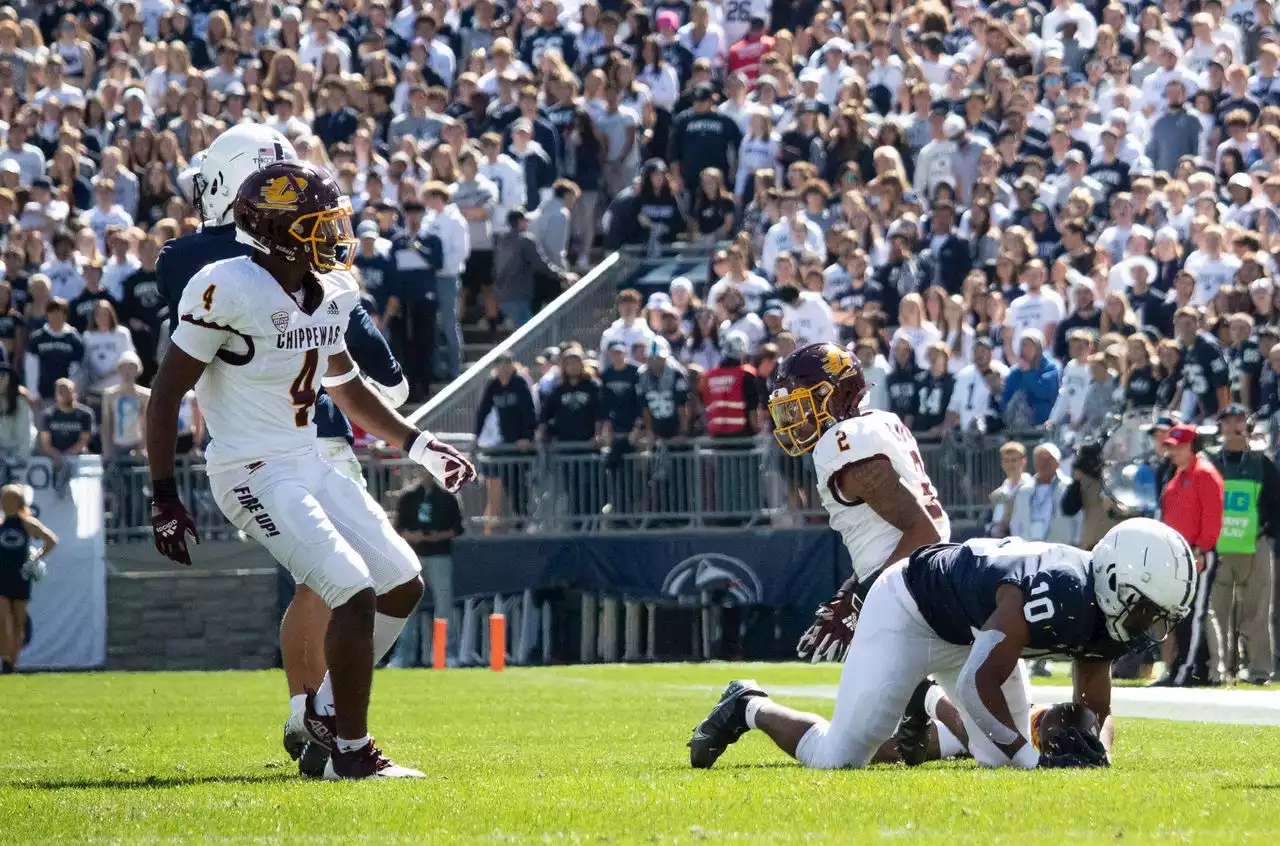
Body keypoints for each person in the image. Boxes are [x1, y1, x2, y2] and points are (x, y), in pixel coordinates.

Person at [145, 160, 476, 780]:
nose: (334, 232)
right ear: (277, 229)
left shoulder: (330, 288)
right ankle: (350, 755)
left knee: (402, 580)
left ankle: (323, 712)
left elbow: (346, 387)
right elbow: (166, 395)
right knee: (350, 588)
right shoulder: (228, 287)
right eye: (318, 222)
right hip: (249, 467)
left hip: (308, 457)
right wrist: (164, 495)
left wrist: (421, 444)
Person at [689, 519, 1197, 771]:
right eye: (1146, 608)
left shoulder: (1103, 608)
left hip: (971, 631)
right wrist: (1032, 760)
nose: (1147, 624)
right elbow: (979, 684)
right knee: (840, 756)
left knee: (996, 755)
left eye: (1159, 615)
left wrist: (1098, 755)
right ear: (1112, 579)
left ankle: (927, 695)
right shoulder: (1060, 592)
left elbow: (1096, 707)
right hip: (909, 608)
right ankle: (748, 704)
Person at [1204, 405, 1279, 684]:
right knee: (1218, 613)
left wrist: (1269, 533)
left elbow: (1276, 502)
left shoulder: (1262, 461)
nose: (1233, 426)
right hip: (1219, 547)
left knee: (1258, 613)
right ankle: (1220, 671)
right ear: (1220, 426)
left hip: (1255, 544)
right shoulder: (1209, 460)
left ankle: (1260, 672)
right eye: (1227, 421)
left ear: (1247, 426)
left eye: (1238, 421)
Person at [1155, 424, 1225, 687]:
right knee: (1181, 615)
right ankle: (1183, 668)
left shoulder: (1204, 473)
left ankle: (1188, 670)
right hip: (1177, 555)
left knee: (1195, 614)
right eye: (1171, 446)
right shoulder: (1177, 474)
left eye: (1179, 446)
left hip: (1196, 555)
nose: (1173, 451)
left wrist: (1202, 550)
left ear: (1192, 446)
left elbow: (1212, 518)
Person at [390, 469, 464, 668]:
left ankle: (445, 654)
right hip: (413, 557)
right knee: (407, 608)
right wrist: (412, 536)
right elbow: (398, 528)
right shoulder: (407, 497)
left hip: (439, 555)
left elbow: (457, 528)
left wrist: (438, 536)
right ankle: (402, 656)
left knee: (443, 607)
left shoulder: (447, 498)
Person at [0, 484, 58, 674]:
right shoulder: (0, 524)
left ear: (18, 502)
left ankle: (12, 663)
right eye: (3, 498)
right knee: (4, 617)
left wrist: (36, 557)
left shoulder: (27, 523)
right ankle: (6, 657)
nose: (4, 502)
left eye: (8, 498)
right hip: (2, 577)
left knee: (18, 621)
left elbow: (51, 540)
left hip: (21, 576)